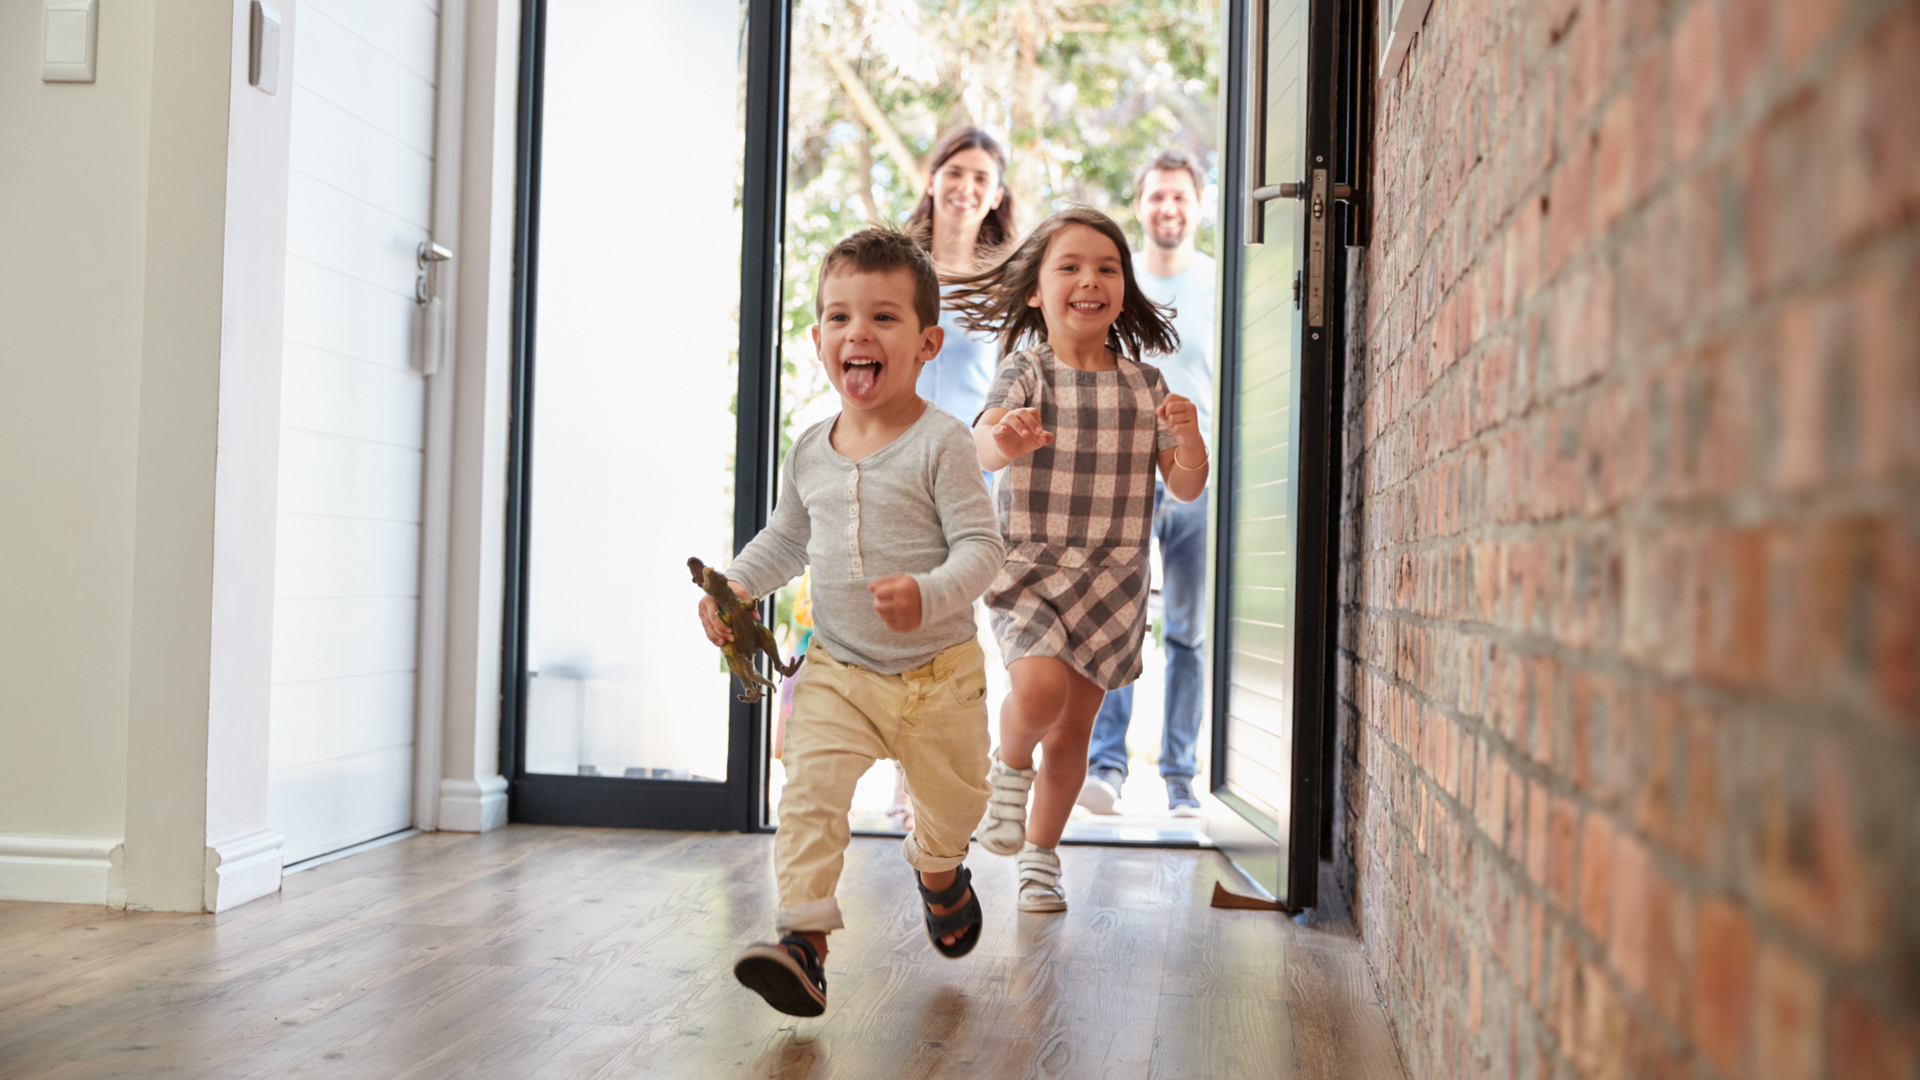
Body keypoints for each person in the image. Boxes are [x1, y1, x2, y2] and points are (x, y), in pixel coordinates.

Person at [704, 227, 1005, 1017]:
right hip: (837, 666)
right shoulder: (810, 449)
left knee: (956, 805)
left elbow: (984, 548)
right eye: (839, 319)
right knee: (808, 792)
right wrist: (735, 587)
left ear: (927, 343)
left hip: (938, 675)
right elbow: (787, 539)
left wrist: (930, 593)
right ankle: (804, 942)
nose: (857, 334)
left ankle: (940, 872)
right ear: (817, 340)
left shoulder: (944, 444)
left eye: (882, 318)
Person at [946, 207, 1211, 912]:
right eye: (1069, 267)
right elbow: (980, 448)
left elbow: (1184, 486)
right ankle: (1008, 771)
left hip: (1114, 583)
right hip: (1032, 572)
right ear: (1035, 290)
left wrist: (1189, 441)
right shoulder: (1025, 370)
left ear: (1124, 287)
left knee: (1072, 734)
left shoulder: (1147, 387)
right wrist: (1008, 437)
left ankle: (1041, 856)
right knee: (1038, 695)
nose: (1089, 280)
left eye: (1106, 267)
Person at [1079, 150, 1218, 818]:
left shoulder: (1223, 285)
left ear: (1199, 204)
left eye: (1180, 197)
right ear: (1140, 204)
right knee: (1117, 623)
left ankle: (1179, 778)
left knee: (1188, 630)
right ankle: (1106, 768)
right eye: (1157, 196)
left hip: (1195, 477)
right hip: (1124, 480)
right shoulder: (1116, 285)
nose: (1168, 208)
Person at [905, 127, 1018, 429]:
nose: (966, 187)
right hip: (897, 456)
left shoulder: (1009, 288)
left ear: (996, 197)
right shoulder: (896, 272)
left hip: (974, 462)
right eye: (954, 173)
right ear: (931, 182)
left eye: (981, 178)